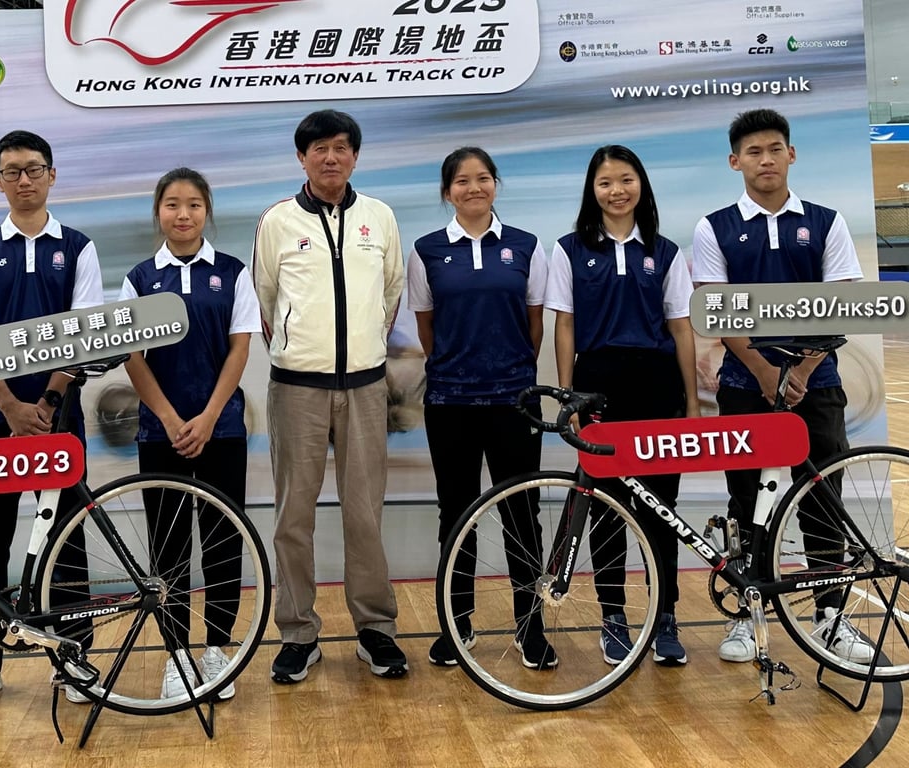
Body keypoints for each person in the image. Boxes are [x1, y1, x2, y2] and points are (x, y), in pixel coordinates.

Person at [691, 108, 870, 664]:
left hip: (817, 387)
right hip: (745, 387)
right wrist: (767, 371)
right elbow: (716, 310)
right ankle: (751, 615)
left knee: (821, 499)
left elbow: (841, 302)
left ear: (791, 154)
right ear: (734, 162)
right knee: (748, 501)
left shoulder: (825, 221)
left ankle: (831, 619)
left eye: (774, 149)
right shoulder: (713, 227)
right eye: (753, 152)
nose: (764, 159)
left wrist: (802, 370)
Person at [0, 130, 104, 714]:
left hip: (58, 420)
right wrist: (12, 408)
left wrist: (47, 401)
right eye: (11, 171)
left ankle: (73, 662)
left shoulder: (79, 248)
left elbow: (85, 332)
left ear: (52, 175)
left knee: (68, 545)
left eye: (33, 168)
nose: (24, 179)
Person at [252, 109, 407, 683]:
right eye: (319, 148)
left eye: (341, 147)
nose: (331, 157)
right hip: (298, 391)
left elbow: (390, 292)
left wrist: (363, 348)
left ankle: (375, 629)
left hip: (366, 388)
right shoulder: (277, 221)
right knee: (294, 517)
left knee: (364, 514)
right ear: (302, 157)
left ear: (355, 156)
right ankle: (298, 633)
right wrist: (302, 350)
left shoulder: (380, 217)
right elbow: (266, 300)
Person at [546, 144, 698, 667]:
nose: (617, 191)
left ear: (642, 185)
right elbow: (563, 324)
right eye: (606, 182)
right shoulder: (568, 250)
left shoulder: (667, 251)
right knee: (606, 510)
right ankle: (613, 616)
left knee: (660, 511)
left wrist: (693, 405)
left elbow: (681, 327)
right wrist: (570, 397)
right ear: (593, 190)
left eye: (626, 179)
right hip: (598, 389)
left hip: (657, 389)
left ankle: (666, 616)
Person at [406, 147, 556, 669]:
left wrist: (510, 369)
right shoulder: (426, 251)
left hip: (515, 400)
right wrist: (457, 367)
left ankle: (529, 627)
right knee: (457, 513)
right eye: (463, 181)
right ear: (448, 191)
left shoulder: (527, 247)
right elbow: (427, 328)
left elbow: (534, 324)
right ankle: (458, 625)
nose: (474, 188)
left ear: (496, 184)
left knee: (523, 513)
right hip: (449, 401)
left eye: (484, 178)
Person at [119, 167, 261, 700]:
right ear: (158, 211)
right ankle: (176, 656)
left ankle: (216, 650)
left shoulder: (232, 272)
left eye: (194, 205)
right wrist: (175, 420)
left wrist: (206, 417)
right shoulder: (138, 278)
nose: (183, 214)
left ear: (207, 211)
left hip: (221, 430)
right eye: (173, 205)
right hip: (161, 434)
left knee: (223, 541)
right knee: (169, 548)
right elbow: (132, 358)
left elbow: (241, 349)